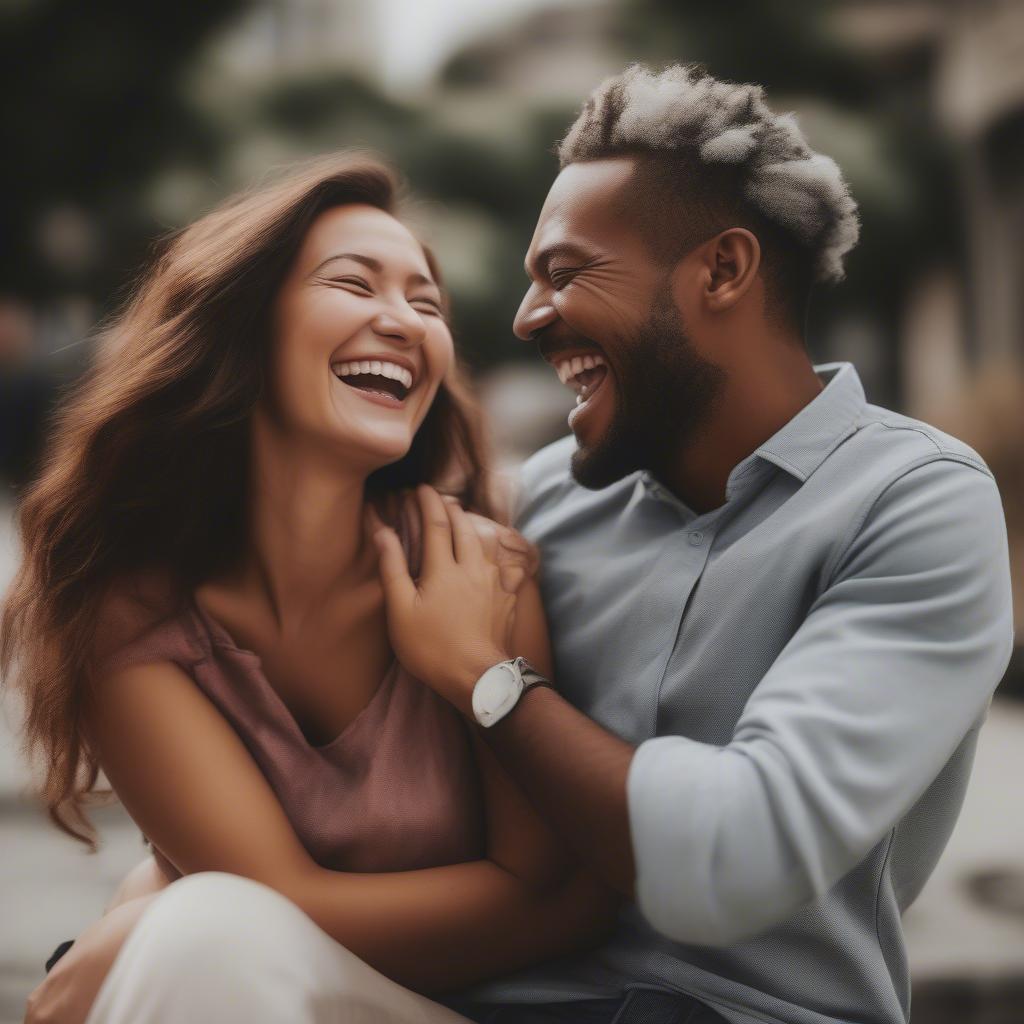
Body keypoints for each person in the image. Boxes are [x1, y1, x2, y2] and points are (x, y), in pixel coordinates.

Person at [32, 65, 1014, 1024]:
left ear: (722, 270)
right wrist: (146, 915)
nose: (524, 316)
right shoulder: (523, 511)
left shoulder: (913, 505)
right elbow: (278, 806)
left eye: (565, 274)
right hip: (466, 1004)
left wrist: (486, 679)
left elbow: (733, 856)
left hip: (737, 1009)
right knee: (204, 940)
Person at [1, 153, 620, 1024]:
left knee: (199, 934)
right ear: (243, 327)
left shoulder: (477, 573)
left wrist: (139, 929)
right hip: (232, 990)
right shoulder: (127, 618)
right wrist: (171, 919)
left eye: (426, 303)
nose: (402, 322)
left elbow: (566, 900)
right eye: (354, 284)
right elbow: (267, 905)